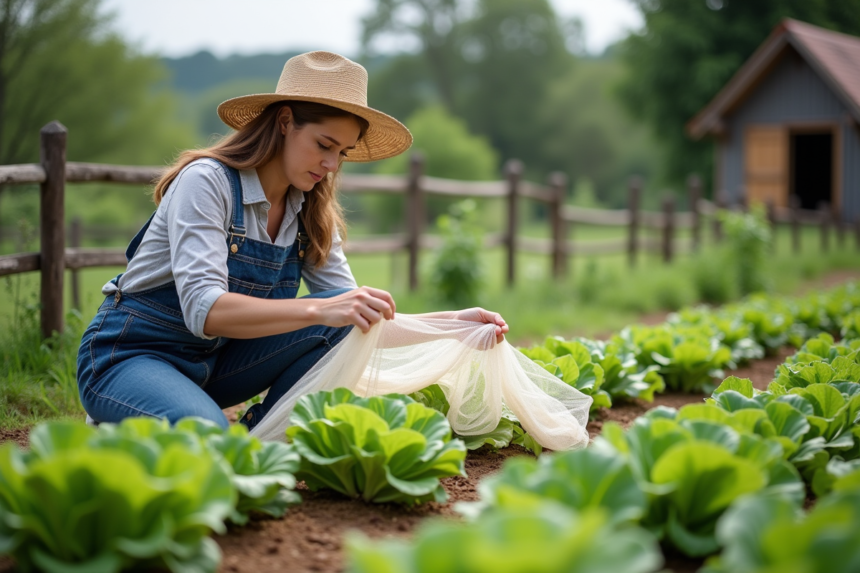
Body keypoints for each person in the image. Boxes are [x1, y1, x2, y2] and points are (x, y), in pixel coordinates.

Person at [76, 51, 509, 431]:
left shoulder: (310, 213)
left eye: (343, 152)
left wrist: (454, 325)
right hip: (132, 357)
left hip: (214, 368)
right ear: (284, 122)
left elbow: (359, 315)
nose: (332, 164)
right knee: (206, 434)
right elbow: (203, 310)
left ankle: (258, 437)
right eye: (324, 144)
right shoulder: (207, 183)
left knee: (340, 323)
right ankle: (124, 418)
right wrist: (323, 307)